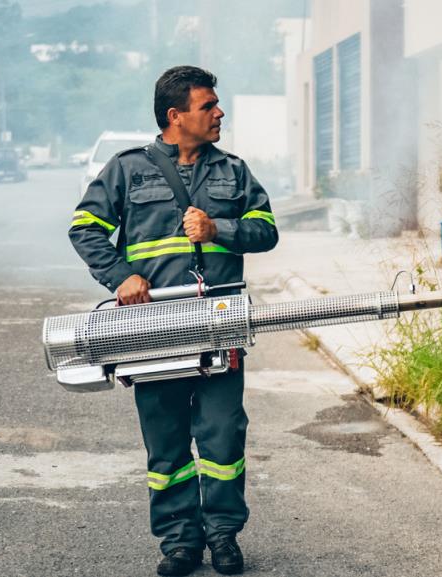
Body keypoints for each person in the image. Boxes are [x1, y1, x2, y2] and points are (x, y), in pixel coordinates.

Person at [68, 65, 278, 576]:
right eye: (208, 105)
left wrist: (218, 227)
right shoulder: (127, 170)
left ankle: (224, 536)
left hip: (219, 326)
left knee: (223, 437)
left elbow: (266, 230)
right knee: (166, 444)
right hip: (153, 331)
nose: (219, 112)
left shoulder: (234, 171)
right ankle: (179, 542)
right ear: (175, 116)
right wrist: (120, 277)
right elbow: (84, 228)